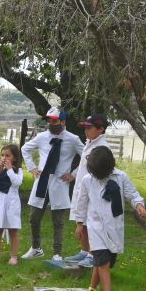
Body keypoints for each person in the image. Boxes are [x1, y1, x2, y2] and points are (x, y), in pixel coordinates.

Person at [72, 146, 146, 291]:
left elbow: (132, 193)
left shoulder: (120, 177)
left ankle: (91, 290)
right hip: (95, 228)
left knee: (103, 262)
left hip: (114, 227)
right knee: (102, 261)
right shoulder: (87, 180)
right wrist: (79, 224)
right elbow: (82, 203)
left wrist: (139, 204)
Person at [20, 107, 85, 261]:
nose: (51, 123)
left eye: (54, 121)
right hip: (42, 182)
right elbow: (25, 148)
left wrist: (74, 174)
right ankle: (36, 248)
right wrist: (32, 168)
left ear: (63, 121)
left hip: (60, 183)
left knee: (58, 221)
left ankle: (57, 253)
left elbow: (87, 156)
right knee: (34, 217)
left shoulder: (73, 139)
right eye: (49, 120)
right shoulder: (42, 137)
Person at [64, 114, 111, 268]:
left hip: (94, 189)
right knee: (82, 220)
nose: (86, 130)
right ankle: (84, 250)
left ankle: (93, 254)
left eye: (89, 128)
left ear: (101, 129)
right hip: (81, 187)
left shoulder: (102, 147)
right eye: (85, 127)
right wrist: (74, 176)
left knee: (91, 222)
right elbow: (84, 166)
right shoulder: (89, 143)